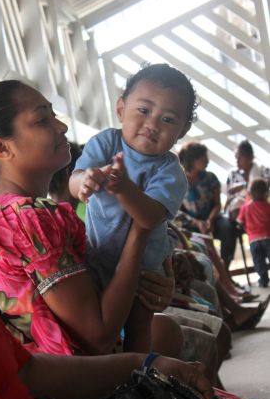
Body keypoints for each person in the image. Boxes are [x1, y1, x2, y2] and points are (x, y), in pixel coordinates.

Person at [0, 80, 181, 360]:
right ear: (1, 147)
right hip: (85, 390)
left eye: (54, 115)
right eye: (42, 120)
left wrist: (147, 289)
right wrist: (140, 231)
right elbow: (99, 336)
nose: (62, 127)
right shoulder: (27, 219)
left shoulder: (11, 215)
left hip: (75, 378)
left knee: (171, 333)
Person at [69, 63, 197, 352]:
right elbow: (74, 182)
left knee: (139, 324)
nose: (152, 124)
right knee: (101, 320)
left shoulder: (170, 169)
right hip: (97, 255)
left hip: (146, 269)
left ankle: (136, 376)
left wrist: (124, 188)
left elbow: (150, 217)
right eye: (143, 110)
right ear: (121, 107)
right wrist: (84, 182)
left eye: (167, 119)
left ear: (182, 130)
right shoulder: (105, 142)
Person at [178, 140, 238, 271]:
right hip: (191, 223)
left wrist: (209, 220)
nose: (207, 161)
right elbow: (178, 211)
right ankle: (213, 274)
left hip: (213, 218)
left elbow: (217, 204)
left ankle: (225, 269)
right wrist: (197, 223)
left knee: (228, 228)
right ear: (192, 160)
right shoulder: (179, 181)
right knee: (197, 241)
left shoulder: (211, 178)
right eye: (203, 158)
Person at [237, 178, 270, 288]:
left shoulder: (245, 207)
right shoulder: (268, 206)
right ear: (266, 193)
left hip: (253, 240)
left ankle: (263, 280)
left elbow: (239, 222)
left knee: (258, 261)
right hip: (268, 238)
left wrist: (246, 230)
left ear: (250, 193)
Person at [226, 139, 270, 221]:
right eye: (236, 157)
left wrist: (244, 185)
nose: (237, 161)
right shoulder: (233, 173)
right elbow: (230, 194)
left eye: (240, 157)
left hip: (260, 205)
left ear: (250, 157)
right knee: (237, 204)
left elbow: (264, 186)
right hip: (239, 210)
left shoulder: (262, 170)